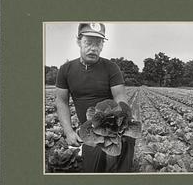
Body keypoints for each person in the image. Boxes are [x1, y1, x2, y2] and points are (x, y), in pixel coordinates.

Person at [55, 22, 135, 172]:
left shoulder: (111, 68)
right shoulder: (66, 70)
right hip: (89, 129)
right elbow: (61, 101)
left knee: (127, 142)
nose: (93, 48)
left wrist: (119, 125)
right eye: (88, 42)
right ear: (78, 41)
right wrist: (68, 131)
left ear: (103, 45)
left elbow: (120, 97)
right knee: (93, 165)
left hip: (112, 126)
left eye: (98, 43)